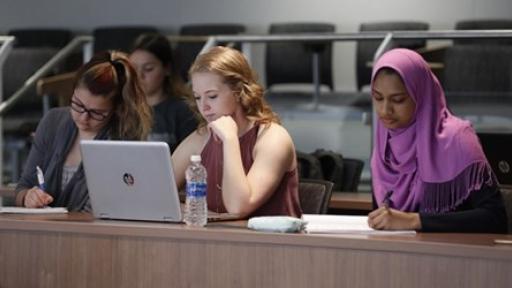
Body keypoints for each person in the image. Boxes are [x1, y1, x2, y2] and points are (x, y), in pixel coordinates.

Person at [367, 48, 508, 233]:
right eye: (378, 98)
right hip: (400, 256)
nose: (385, 110)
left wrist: (415, 221)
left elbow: (495, 218)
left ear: (421, 95)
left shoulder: (458, 138)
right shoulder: (385, 140)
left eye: (398, 100)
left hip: (452, 256)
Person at [172, 46, 302, 218]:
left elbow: (239, 207)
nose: (203, 107)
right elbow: (155, 194)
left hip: (273, 244)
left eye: (212, 96)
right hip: (215, 243)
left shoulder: (273, 138)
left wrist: (230, 140)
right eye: (197, 97)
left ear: (239, 92)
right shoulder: (201, 138)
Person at [15, 51, 152, 212]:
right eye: (77, 105)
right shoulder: (53, 122)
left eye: (96, 113)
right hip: (46, 230)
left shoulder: (124, 140)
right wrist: (28, 197)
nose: (83, 117)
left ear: (117, 110)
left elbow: (122, 206)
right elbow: (23, 186)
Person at [129, 33, 197, 152]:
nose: (139, 76)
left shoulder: (184, 110)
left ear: (167, 69)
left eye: (148, 69)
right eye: (133, 69)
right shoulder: (123, 108)